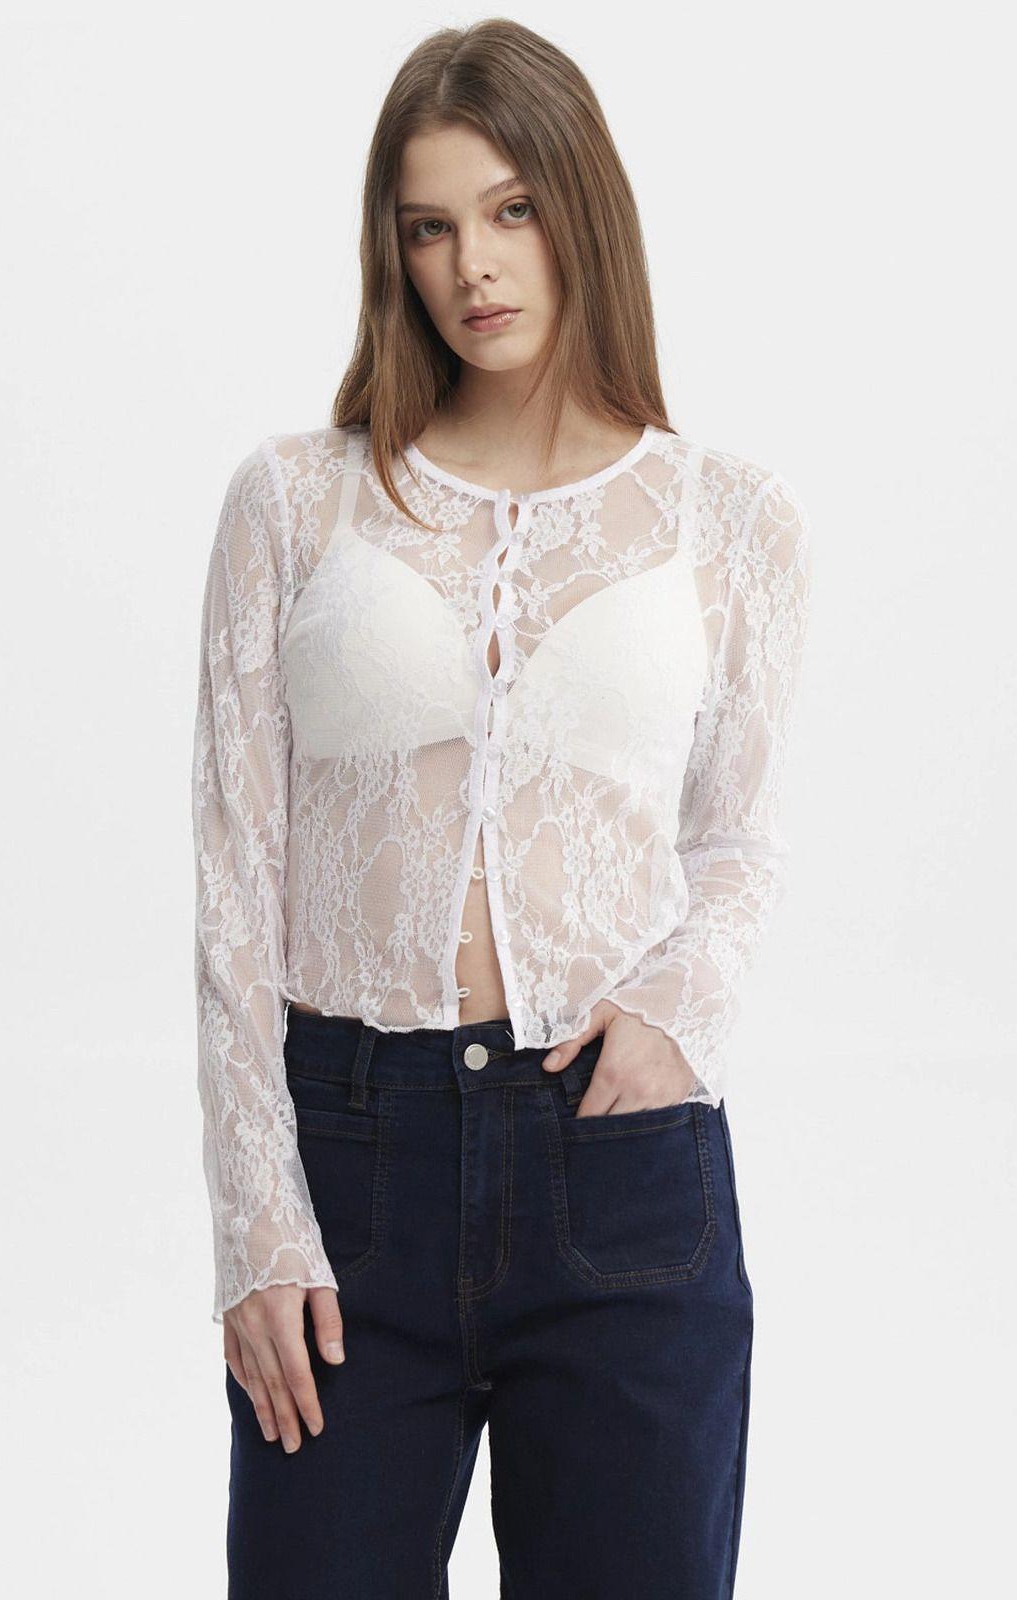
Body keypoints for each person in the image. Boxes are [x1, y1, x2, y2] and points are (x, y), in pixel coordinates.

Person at [191, 17, 812, 1599]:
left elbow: (740, 842)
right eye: (430, 226)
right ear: (391, 251)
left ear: (581, 205)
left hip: (618, 1169)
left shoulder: (728, 520)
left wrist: (672, 1022)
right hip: (351, 1167)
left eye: (512, 208)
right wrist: (257, 1223)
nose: (474, 263)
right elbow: (234, 882)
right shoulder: (296, 500)